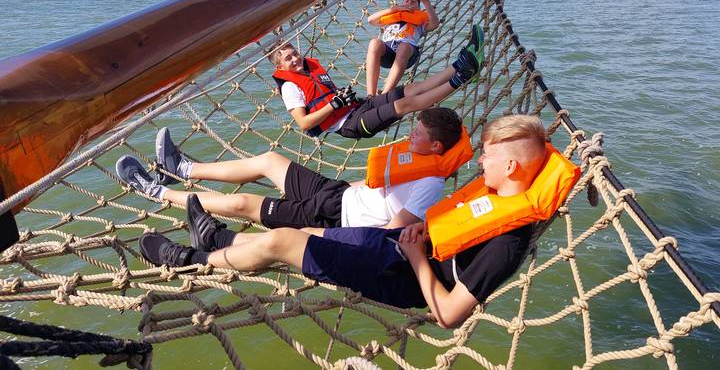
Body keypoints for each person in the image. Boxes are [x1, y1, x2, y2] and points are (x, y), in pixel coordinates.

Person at [139, 115, 568, 329]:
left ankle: (194, 258)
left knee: (281, 242)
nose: (480, 159)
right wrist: (418, 234)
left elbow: (450, 314)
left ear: (511, 166)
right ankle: (222, 238)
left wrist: (417, 255)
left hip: (399, 274)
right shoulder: (492, 195)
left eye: (490, 155)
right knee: (302, 235)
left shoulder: (506, 243)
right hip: (396, 243)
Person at [116, 108, 467, 231]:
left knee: (244, 205)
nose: (409, 135)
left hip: (332, 220)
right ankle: (184, 167)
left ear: (436, 147)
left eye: (416, 133)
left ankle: (158, 191)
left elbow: (392, 229)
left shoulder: (430, 183)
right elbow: (377, 184)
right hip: (338, 193)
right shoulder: (419, 159)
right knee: (270, 160)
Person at [269, 23, 483, 139]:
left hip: (357, 106)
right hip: (350, 125)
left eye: (295, 53)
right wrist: (333, 105)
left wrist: (341, 100)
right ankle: (462, 78)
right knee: (404, 105)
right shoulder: (289, 87)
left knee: (410, 89)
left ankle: (459, 64)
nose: (296, 59)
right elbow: (304, 123)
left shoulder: (310, 70)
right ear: (280, 67)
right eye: (289, 58)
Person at [365, 0, 439, 96]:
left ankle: (385, 95)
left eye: (413, 2)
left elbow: (435, 24)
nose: (409, 3)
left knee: (404, 47)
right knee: (374, 42)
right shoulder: (391, 17)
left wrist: (426, 2)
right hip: (387, 53)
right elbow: (370, 20)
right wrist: (394, 9)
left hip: (407, 53)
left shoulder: (420, 21)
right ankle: (370, 95)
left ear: (418, 8)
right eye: (407, 0)